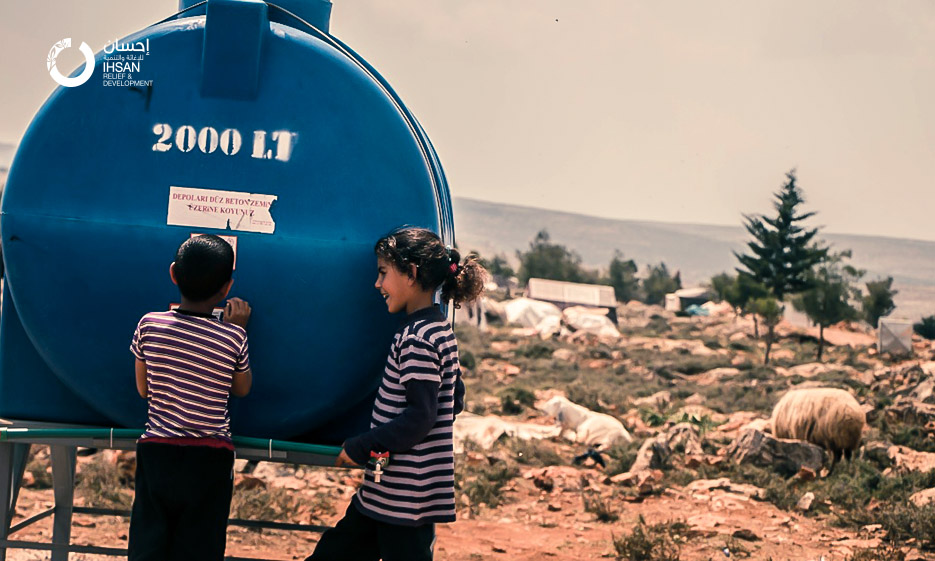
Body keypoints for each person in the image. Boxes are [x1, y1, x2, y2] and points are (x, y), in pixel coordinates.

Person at [306, 227, 486, 561]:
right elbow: (454, 400)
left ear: (411, 273)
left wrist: (362, 445)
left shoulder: (416, 339)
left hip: (403, 496)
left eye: (383, 273)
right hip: (395, 491)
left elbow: (421, 416)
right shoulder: (440, 331)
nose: (377, 284)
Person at [128, 234, 252, 561]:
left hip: (158, 452)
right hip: (210, 458)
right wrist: (238, 329)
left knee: (148, 544)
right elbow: (241, 389)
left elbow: (144, 390)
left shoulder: (149, 325)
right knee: (200, 547)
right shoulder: (233, 336)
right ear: (227, 287)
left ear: (173, 273)